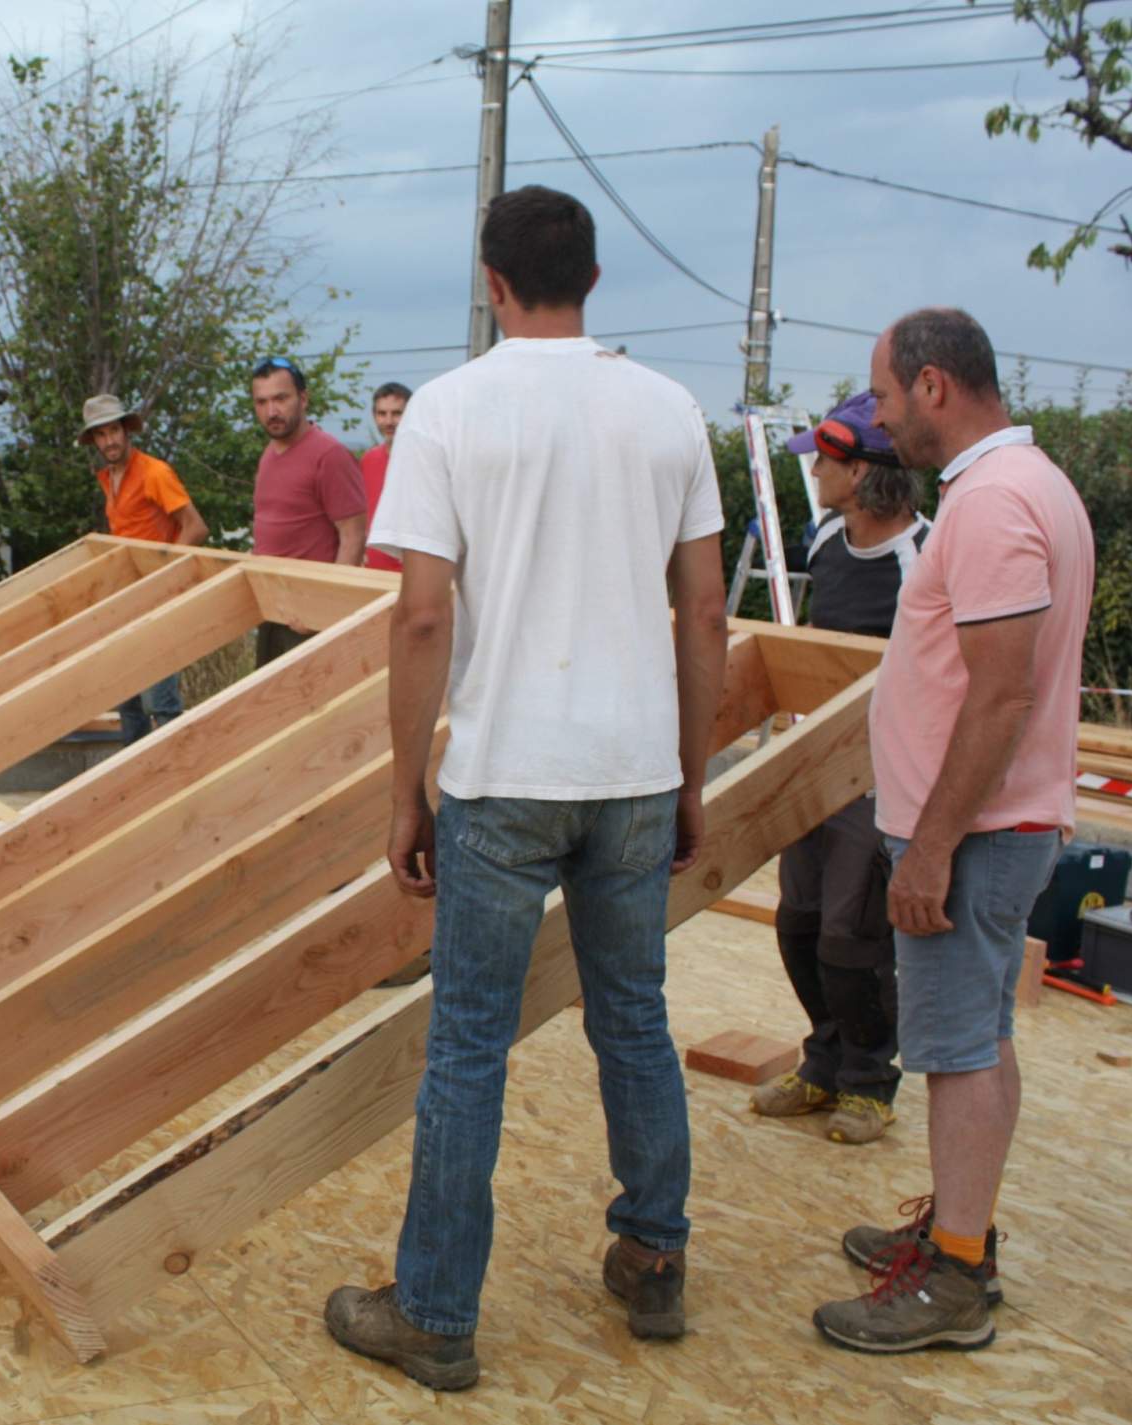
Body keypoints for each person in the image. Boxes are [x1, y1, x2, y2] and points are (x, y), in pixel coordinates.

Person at [322, 185, 728, 1391]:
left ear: (490, 282)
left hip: (503, 775)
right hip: (632, 771)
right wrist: (688, 775)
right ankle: (653, 1256)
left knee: (466, 1050)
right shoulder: (667, 411)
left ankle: (437, 1315)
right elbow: (702, 609)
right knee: (635, 1020)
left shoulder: (447, 413)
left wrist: (408, 791)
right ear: (592, 280)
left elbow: (420, 615)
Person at [814, 308, 1092, 1354]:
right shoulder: (1026, 488)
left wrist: (928, 845)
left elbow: (995, 698)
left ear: (934, 386)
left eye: (883, 396)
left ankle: (957, 1277)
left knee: (957, 1051)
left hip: (973, 831)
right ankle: (957, 1219)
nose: (880, 420)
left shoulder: (990, 506)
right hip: (993, 821)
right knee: (981, 1036)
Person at [749, 391, 928, 1146]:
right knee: (799, 922)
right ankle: (821, 1062)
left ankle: (868, 1080)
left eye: (825, 458)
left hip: (882, 773)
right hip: (816, 763)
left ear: (861, 471)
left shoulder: (925, 558)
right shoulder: (826, 540)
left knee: (851, 932)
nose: (815, 470)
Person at [79, 392, 207, 742]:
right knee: (127, 699)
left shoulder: (154, 473)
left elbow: (196, 528)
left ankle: (173, 781)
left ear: (127, 430)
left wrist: (164, 579)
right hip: (127, 598)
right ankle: (132, 782)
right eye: (102, 435)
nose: (110, 440)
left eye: (114, 431)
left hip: (159, 596)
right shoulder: (108, 477)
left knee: (161, 702)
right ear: (94, 440)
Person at [248, 356, 367, 664]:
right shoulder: (268, 455)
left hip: (308, 621)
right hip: (272, 609)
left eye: (280, 398)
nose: (271, 411)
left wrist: (327, 613)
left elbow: (353, 537)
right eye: (262, 402)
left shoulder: (329, 455)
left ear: (303, 398)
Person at [360, 382, 411, 573]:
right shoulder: (368, 459)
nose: (388, 421)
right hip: (373, 568)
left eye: (397, 413)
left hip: (411, 571)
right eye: (382, 414)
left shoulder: (423, 460)